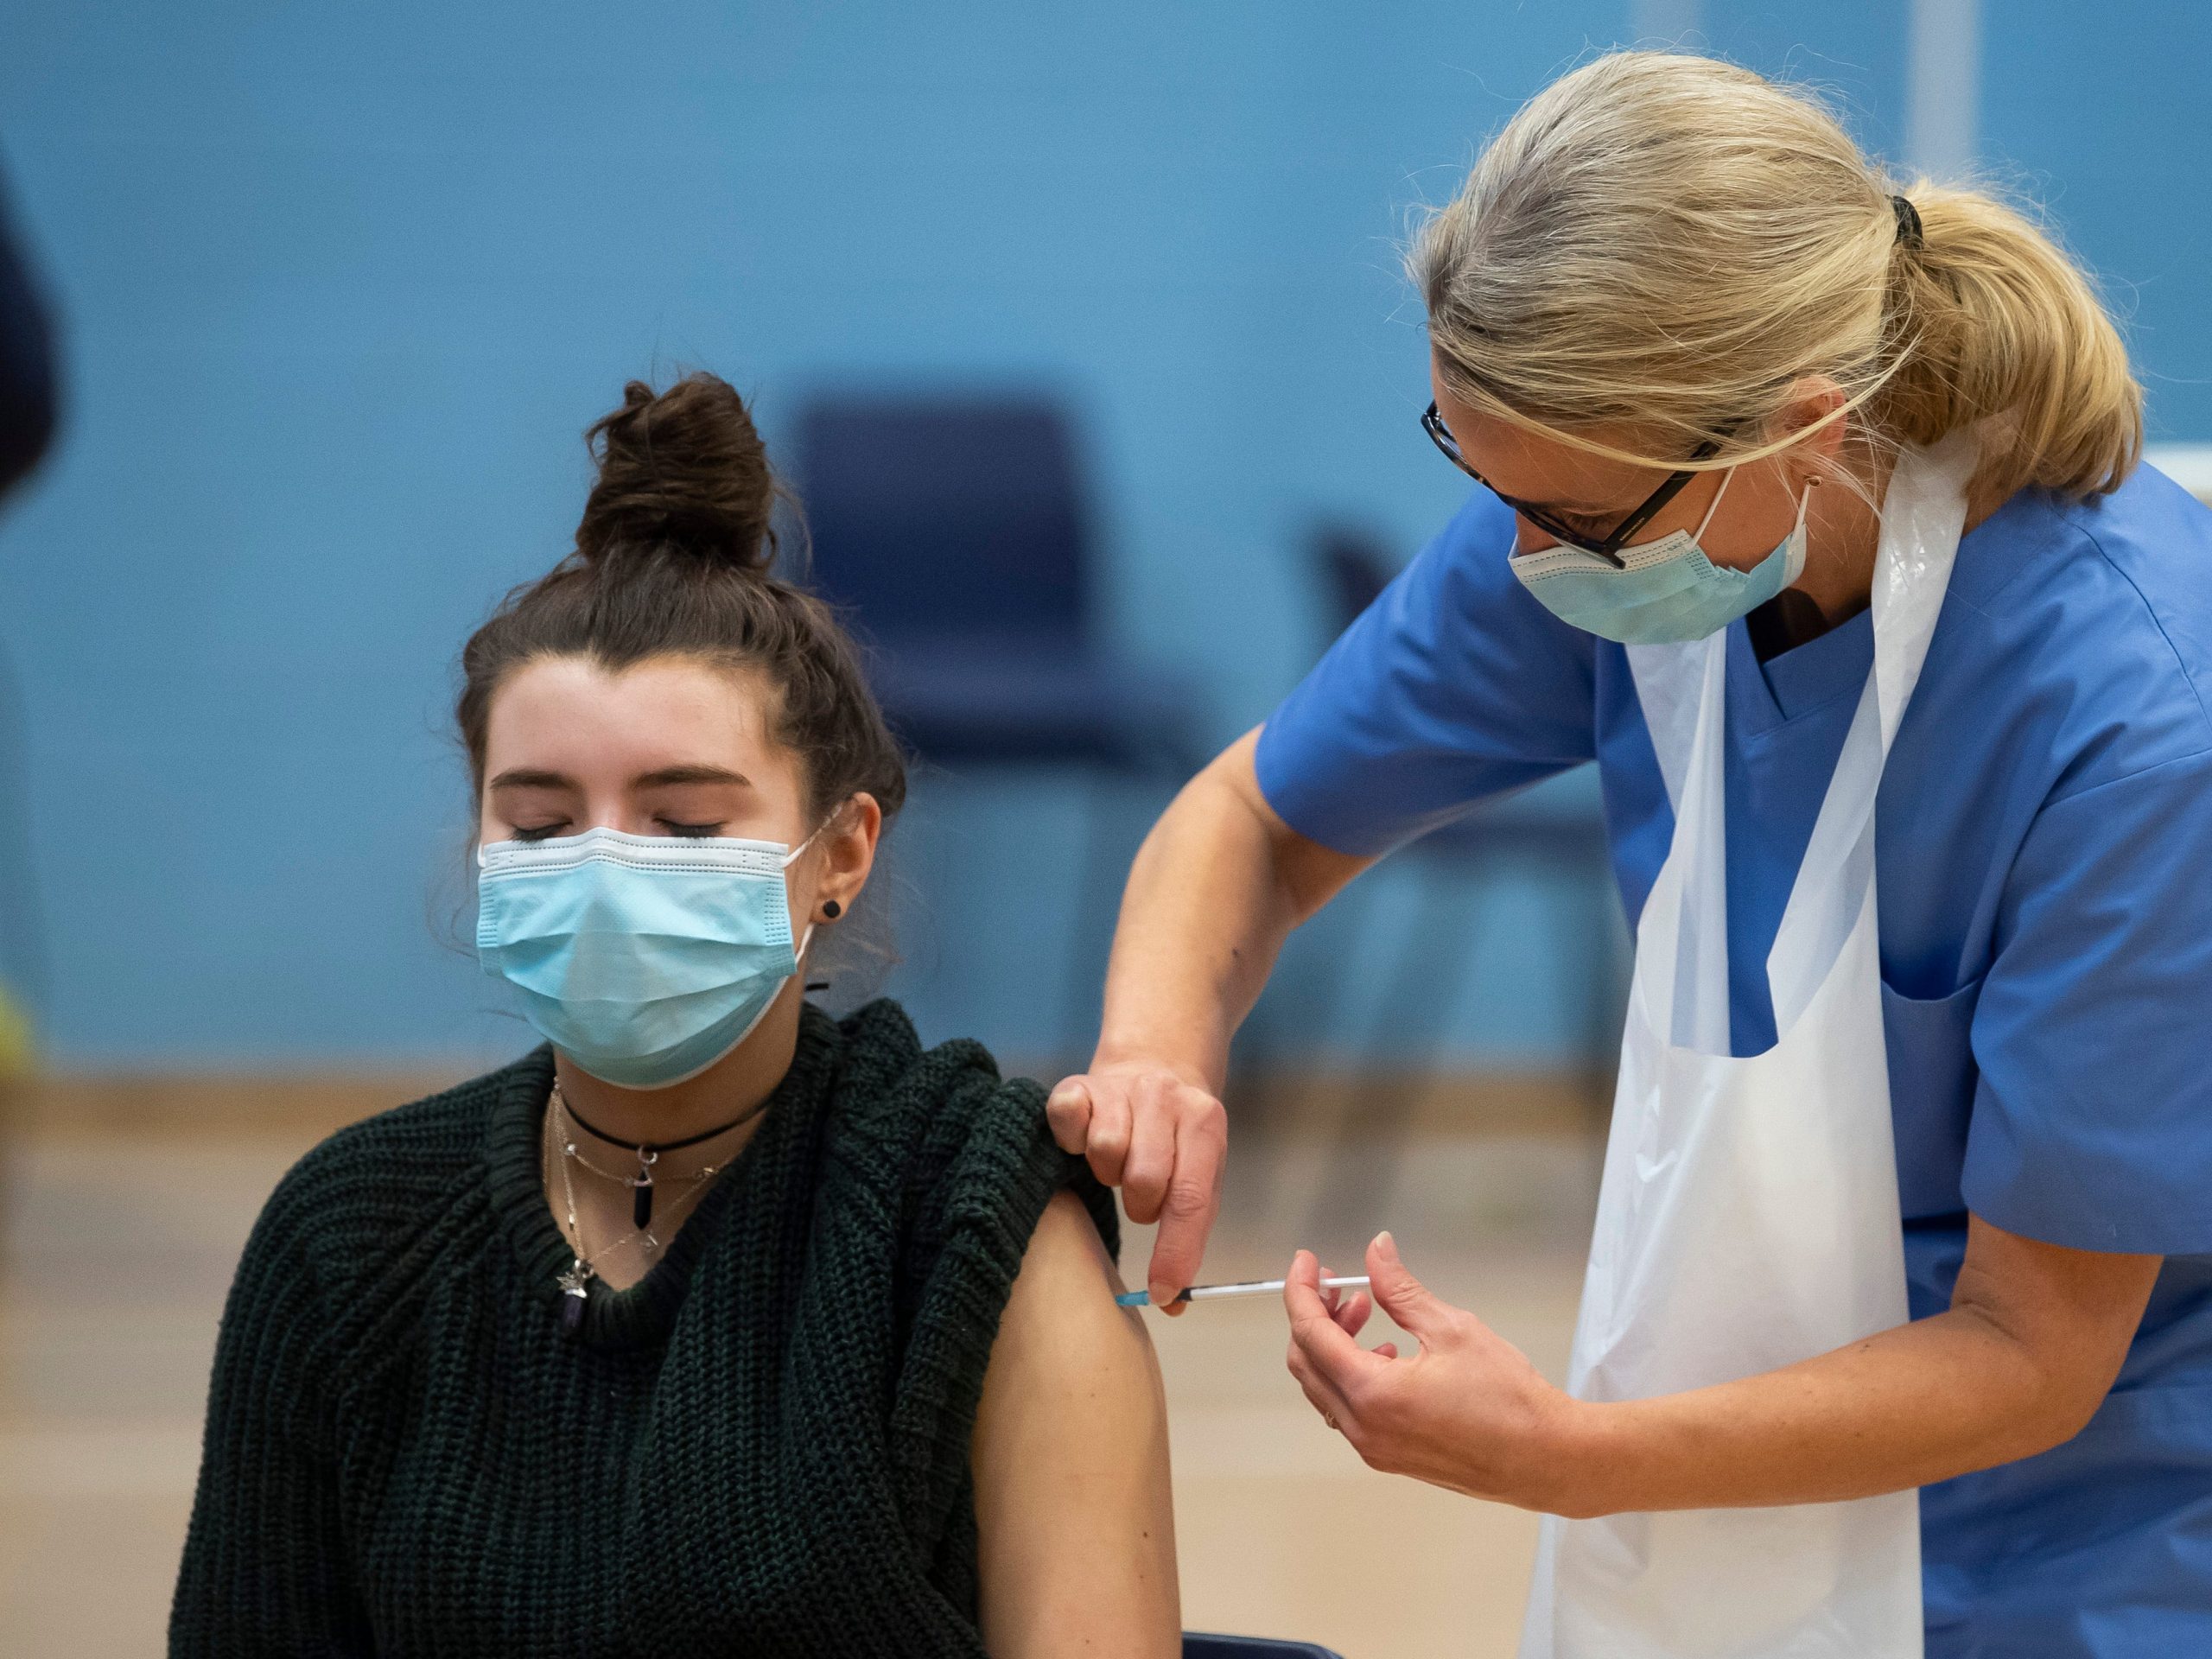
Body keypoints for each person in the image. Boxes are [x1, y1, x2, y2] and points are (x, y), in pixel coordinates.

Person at [1048, 51, 2212, 1659]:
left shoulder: (2135, 728)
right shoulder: (1623, 515)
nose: (1527, 564)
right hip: (1734, 1436)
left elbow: (2033, 1348)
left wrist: (1567, 1460)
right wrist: (1155, 1058)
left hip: (2088, 1526)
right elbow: (1252, 820)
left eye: (1576, 522)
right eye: (1489, 483)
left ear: (1806, 429)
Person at [171, 373, 1179, 1658]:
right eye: (539, 822)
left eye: (687, 824)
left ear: (841, 853)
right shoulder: (348, 1238)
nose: (603, 871)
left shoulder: (966, 1218)